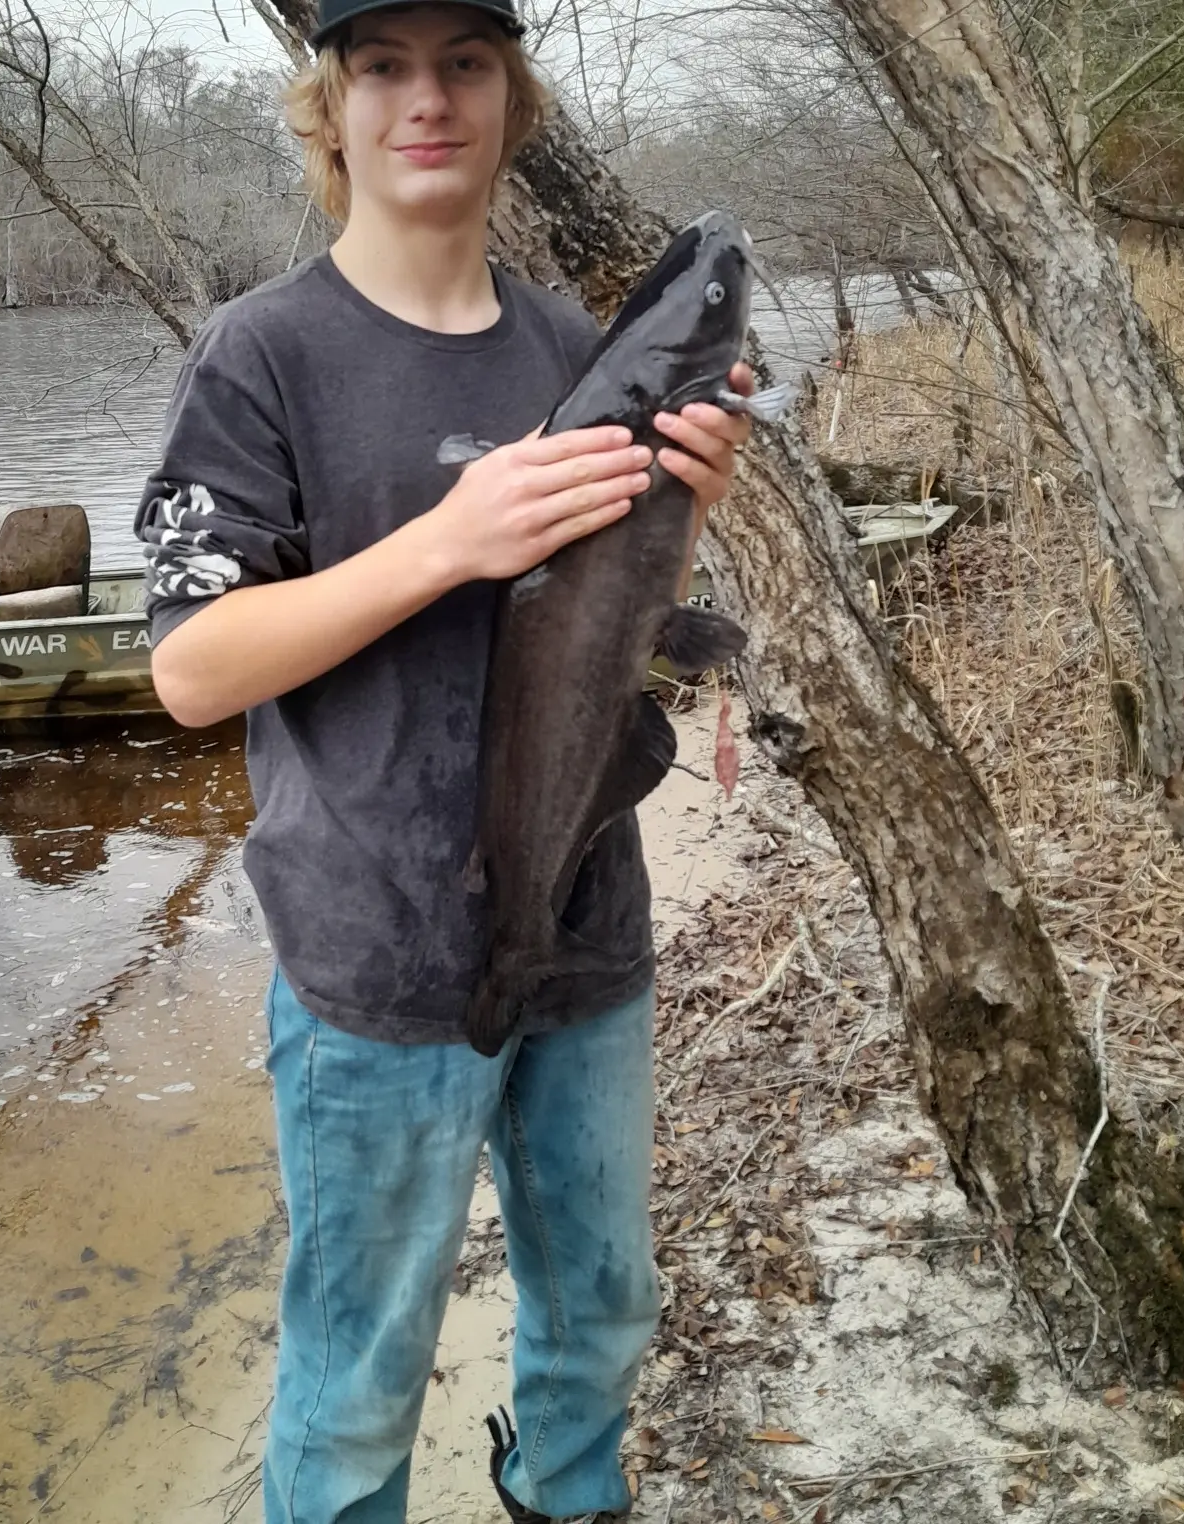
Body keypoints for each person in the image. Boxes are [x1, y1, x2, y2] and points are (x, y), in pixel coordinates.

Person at [135, 2, 751, 1517]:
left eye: (464, 64)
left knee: (603, 1317)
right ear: (327, 113)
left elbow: (608, 632)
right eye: (385, 69)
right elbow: (191, 670)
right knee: (358, 1388)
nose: (429, 100)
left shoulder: (568, 345)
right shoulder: (261, 354)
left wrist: (686, 522)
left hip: (584, 937)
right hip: (373, 974)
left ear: (512, 102)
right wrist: (445, 543)